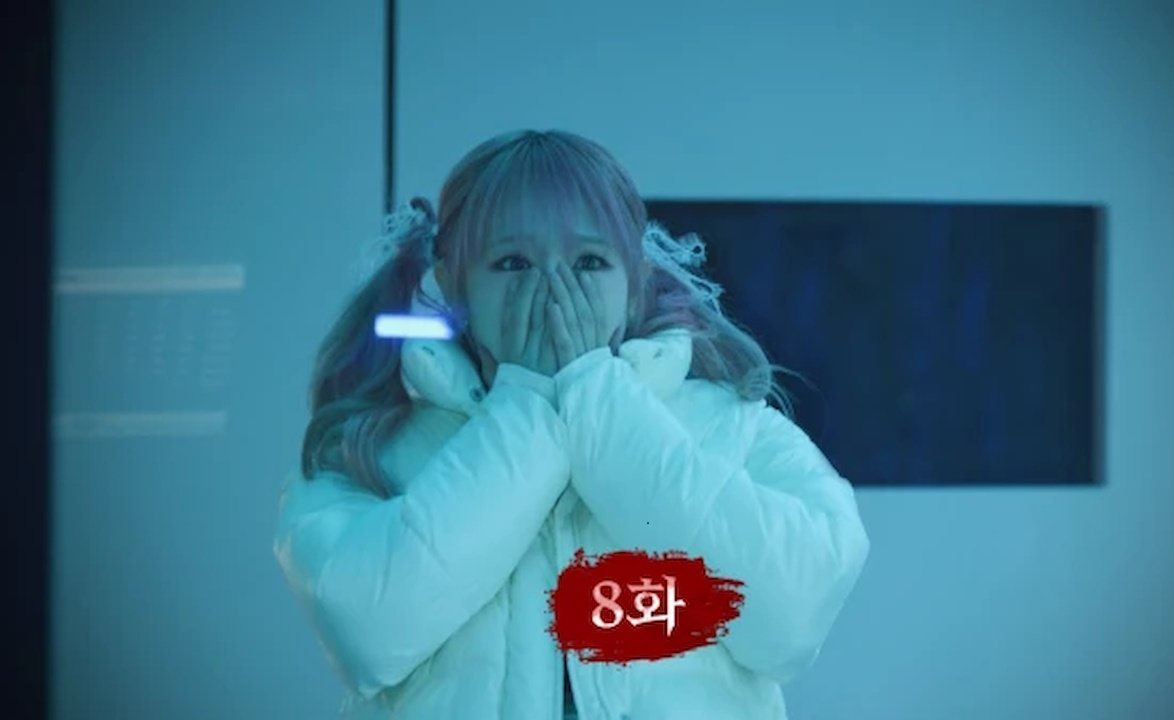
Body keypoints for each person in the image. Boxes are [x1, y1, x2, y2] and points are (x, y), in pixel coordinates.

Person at [273, 129, 871, 719]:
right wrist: (529, 407)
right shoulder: (370, 448)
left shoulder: (734, 428)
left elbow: (793, 615)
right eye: (512, 263)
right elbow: (370, 633)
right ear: (455, 286)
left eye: (589, 262)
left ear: (634, 284)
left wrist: (596, 398)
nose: (552, 290)